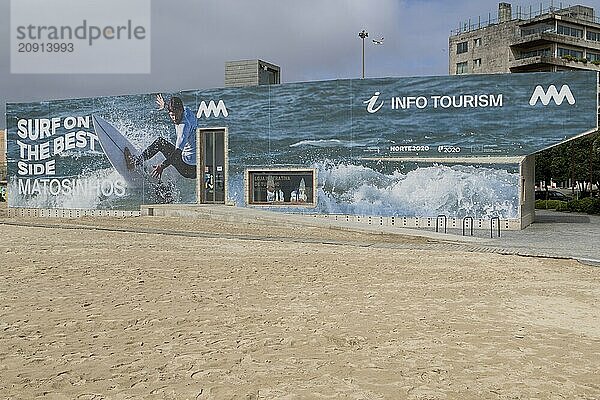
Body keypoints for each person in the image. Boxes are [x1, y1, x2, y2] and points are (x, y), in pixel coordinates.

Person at [125, 94, 197, 180]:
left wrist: (162, 166)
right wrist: (165, 105)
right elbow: (174, 109)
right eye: (171, 115)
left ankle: (135, 163)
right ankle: (165, 186)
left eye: (176, 114)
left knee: (160, 143)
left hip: (188, 169)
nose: (174, 118)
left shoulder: (184, 127)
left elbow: (177, 154)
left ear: (181, 110)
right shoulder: (187, 111)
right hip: (197, 166)